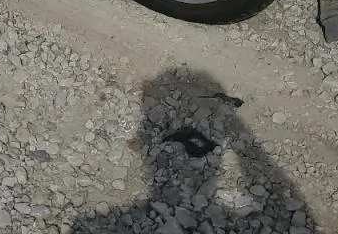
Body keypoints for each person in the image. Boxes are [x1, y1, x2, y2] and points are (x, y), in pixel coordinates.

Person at [67, 67, 317, 234]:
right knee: (191, 144)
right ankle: (185, 139)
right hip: (193, 145)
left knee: (192, 143)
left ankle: (185, 138)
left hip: (194, 144)